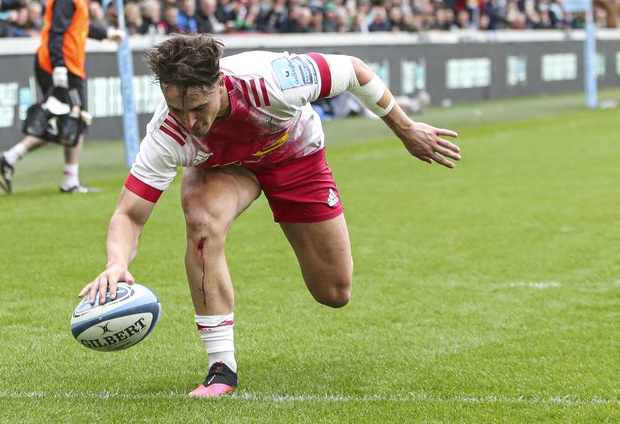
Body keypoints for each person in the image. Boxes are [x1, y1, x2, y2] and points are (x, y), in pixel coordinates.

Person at [78, 34, 461, 397]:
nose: (189, 122)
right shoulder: (167, 134)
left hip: (296, 158)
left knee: (334, 292)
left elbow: (354, 69)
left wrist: (406, 128)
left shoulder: (273, 79)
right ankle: (221, 368)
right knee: (201, 223)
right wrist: (115, 263)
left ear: (220, 84)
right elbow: (130, 215)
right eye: (177, 109)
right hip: (225, 169)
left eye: (198, 109)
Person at [0, 0, 124, 194]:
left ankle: (10, 158)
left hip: (60, 65)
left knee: (61, 121)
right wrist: (59, 66)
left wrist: (105, 34)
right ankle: (69, 180)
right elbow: (57, 33)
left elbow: (79, 27)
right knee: (75, 120)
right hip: (62, 66)